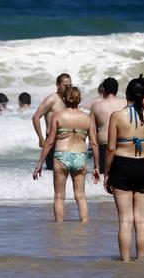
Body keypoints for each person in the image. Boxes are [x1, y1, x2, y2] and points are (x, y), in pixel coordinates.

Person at [104, 78, 144, 262]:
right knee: (142, 220)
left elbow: (111, 148)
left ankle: (126, 263)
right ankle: (142, 262)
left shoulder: (117, 116)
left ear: (126, 94)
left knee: (125, 220)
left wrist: (107, 175)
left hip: (122, 166)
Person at [33, 87, 100, 222]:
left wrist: (40, 163)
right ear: (79, 99)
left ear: (64, 99)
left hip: (61, 156)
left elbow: (50, 141)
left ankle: (59, 226)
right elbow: (94, 144)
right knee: (80, 196)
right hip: (80, 156)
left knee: (59, 196)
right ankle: (85, 225)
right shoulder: (86, 118)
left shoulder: (58, 116)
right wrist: (96, 167)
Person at [33, 73, 72, 170]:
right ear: (58, 85)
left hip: (66, 142)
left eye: (70, 85)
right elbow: (36, 117)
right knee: (53, 171)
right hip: (52, 141)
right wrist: (41, 139)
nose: (68, 88)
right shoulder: (52, 99)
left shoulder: (69, 99)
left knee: (66, 172)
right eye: (65, 86)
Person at [90, 78, 127, 172]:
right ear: (117, 89)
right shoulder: (125, 103)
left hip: (104, 145)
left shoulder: (96, 106)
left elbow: (92, 132)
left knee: (104, 178)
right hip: (123, 144)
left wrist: (96, 164)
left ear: (104, 89)